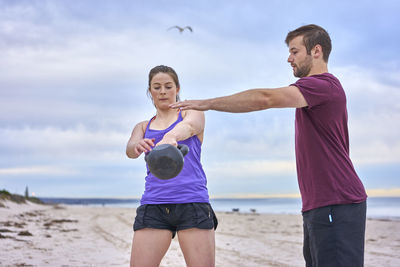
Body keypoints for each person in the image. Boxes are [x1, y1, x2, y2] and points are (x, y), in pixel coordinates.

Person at [170, 24, 367, 267]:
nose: (289, 58)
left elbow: (266, 98)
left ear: (316, 51)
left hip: (337, 201)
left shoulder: (323, 86)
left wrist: (207, 103)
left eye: (295, 51)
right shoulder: (316, 92)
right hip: (322, 203)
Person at [126, 65, 218, 267]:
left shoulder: (190, 113)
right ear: (150, 91)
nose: (163, 91)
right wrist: (137, 145)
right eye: (156, 87)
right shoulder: (143, 126)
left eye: (168, 86)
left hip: (192, 202)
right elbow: (130, 149)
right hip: (154, 203)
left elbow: (192, 126)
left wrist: (170, 137)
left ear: (177, 88)